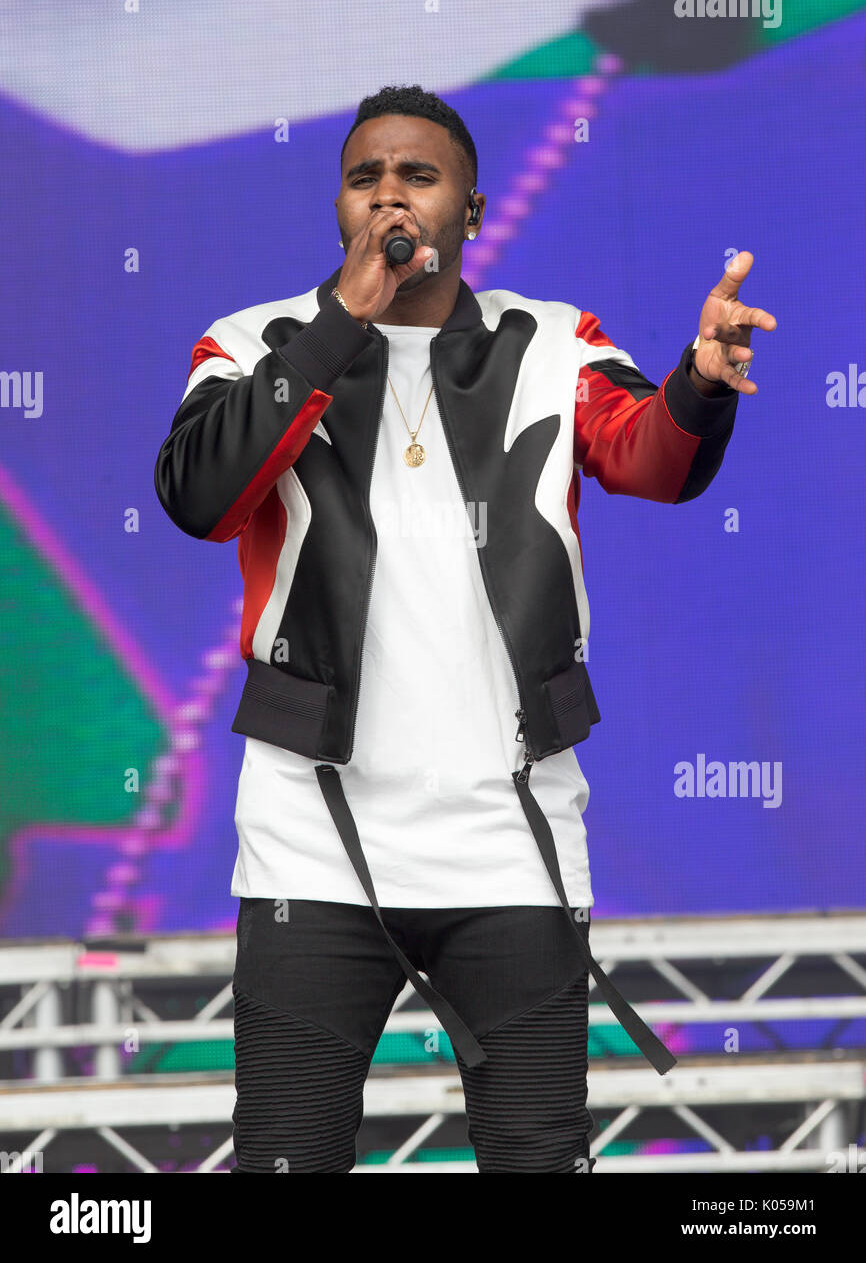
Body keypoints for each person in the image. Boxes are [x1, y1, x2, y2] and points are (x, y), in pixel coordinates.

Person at [154, 84, 776, 1173]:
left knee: (536, 1157)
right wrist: (339, 323)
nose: (389, 195)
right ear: (340, 210)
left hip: (511, 842)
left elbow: (649, 456)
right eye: (364, 178)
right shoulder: (253, 343)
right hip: (314, 845)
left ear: (471, 210)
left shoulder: (549, 342)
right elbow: (200, 497)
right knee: (284, 1158)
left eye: (418, 176)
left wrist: (700, 383)